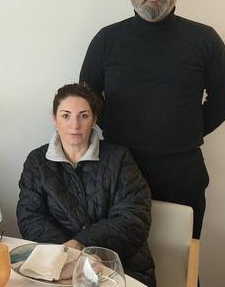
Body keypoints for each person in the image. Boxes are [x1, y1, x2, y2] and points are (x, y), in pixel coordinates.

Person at [79, 0, 225, 239]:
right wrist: (118, 130)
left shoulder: (204, 39)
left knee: (182, 264)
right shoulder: (107, 39)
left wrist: (184, 130)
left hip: (181, 173)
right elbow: (86, 100)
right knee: (115, 261)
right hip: (117, 170)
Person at [17, 84, 155, 287]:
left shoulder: (119, 158)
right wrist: (68, 255)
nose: (75, 125)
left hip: (120, 266)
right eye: (66, 116)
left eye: (83, 116)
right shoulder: (37, 161)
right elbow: (30, 218)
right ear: (54, 119)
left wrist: (82, 244)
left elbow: (134, 218)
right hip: (57, 266)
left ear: (94, 119)